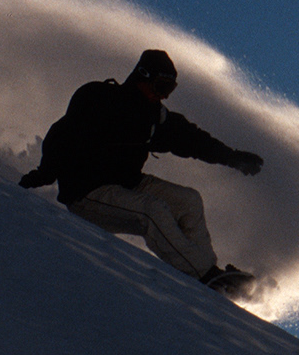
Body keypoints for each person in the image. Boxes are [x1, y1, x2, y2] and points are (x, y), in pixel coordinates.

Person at [20, 49, 263, 293]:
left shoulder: (154, 117)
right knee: (152, 211)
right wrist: (46, 172)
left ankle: (210, 274)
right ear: (142, 76)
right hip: (87, 193)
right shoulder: (100, 98)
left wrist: (232, 157)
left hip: (128, 185)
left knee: (188, 200)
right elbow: (61, 134)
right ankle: (205, 276)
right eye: (160, 86)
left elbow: (191, 139)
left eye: (169, 89)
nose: (162, 96)